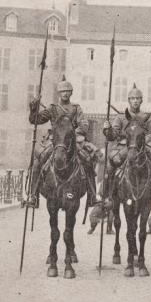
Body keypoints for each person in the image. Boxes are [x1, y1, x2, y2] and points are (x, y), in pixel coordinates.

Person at [26, 75, 100, 208]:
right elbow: (35, 120)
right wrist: (33, 109)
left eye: (67, 91)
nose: (65, 93)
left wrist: (71, 134)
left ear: (71, 93)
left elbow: (84, 124)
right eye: (62, 91)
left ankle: (93, 195)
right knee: (38, 161)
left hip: (72, 141)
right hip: (55, 141)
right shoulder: (52, 108)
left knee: (87, 160)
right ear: (59, 93)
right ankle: (33, 195)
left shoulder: (76, 108)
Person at [102, 83, 151, 208]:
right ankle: (108, 195)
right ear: (129, 100)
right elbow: (113, 135)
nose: (135, 101)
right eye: (133, 99)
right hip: (125, 147)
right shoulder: (121, 117)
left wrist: (141, 140)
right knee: (111, 162)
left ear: (141, 100)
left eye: (138, 99)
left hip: (143, 147)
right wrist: (108, 129)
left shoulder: (147, 117)